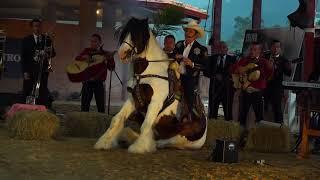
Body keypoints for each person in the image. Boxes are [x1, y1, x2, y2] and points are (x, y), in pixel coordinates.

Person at [231, 42, 273, 128]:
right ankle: (241, 135)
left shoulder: (264, 62)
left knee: (259, 116)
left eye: (254, 49)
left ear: (259, 51)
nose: (252, 51)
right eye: (251, 49)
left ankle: (257, 137)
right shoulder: (244, 60)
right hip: (245, 92)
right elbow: (233, 69)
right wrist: (239, 70)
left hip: (257, 92)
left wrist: (269, 69)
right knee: (242, 114)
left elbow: (269, 76)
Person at [174, 20, 208, 118]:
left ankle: (189, 117)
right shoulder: (179, 44)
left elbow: (205, 66)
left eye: (190, 32)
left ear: (196, 35)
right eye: (186, 31)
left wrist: (192, 64)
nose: (187, 33)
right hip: (176, 75)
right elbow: (172, 55)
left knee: (189, 97)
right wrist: (175, 56)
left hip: (190, 78)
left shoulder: (202, 49)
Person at [76, 33, 115, 113]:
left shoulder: (104, 53)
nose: (92, 43)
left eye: (95, 41)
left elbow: (111, 68)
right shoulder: (86, 51)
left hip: (99, 83)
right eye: (91, 41)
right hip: (87, 82)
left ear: (100, 43)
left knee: (101, 107)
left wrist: (110, 58)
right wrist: (84, 57)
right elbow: (77, 59)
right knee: (84, 107)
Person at [21, 18, 56, 108]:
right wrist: (25, 72)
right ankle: (27, 109)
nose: (38, 28)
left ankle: (41, 110)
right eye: (35, 26)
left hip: (43, 71)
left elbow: (53, 54)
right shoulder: (26, 39)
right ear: (32, 28)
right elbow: (23, 57)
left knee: (42, 91)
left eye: (39, 26)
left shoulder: (46, 38)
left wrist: (48, 52)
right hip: (29, 70)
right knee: (27, 90)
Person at [264, 40, 292, 124]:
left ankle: (279, 128)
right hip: (264, 86)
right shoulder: (265, 57)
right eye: (274, 47)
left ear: (280, 49)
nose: (276, 49)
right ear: (270, 48)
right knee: (263, 108)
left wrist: (288, 67)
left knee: (277, 109)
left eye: (278, 47)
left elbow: (289, 73)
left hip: (276, 88)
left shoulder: (283, 60)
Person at [207, 41, 236, 120]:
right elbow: (207, 72)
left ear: (227, 49)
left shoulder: (233, 59)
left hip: (227, 90)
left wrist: (224, 77)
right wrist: (215, 75)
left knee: (228, 112)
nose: (221, 49)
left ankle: (228, 129)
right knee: (212, 112)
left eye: (224, 47)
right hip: (214, 89)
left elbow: (235, 73)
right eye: (220, 47)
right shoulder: (212, 58)